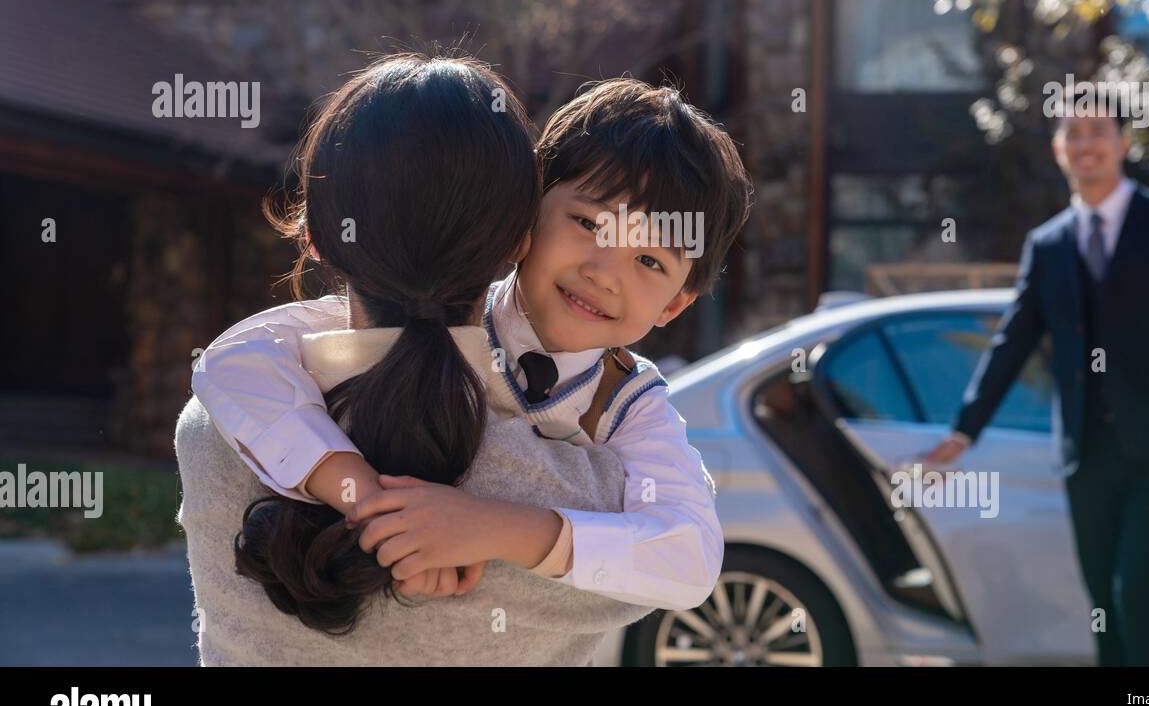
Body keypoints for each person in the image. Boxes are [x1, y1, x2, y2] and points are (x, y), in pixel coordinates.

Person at [189, 75, 754, 611]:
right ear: (524, 219)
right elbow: (236, 359)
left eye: (650, 260)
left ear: (675, 304)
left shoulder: (628, 402)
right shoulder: (436, 299)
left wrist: (491, 527)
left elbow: (691, 559)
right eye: (588, 224)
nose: (604, 273)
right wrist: (360, 492)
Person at [919, 99, 1149, 666]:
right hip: (1086, 455)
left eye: (1099, 132)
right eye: (1073, 134)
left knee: (1136, 587)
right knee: (1103, 604)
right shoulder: (1050, 243)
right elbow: (1012, 341)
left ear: (1123, 144)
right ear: (1060, 149)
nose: (1087, 144)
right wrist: (964, 432)